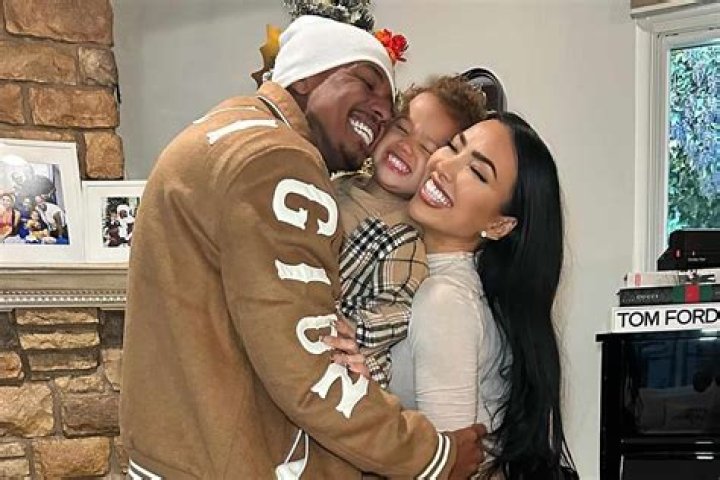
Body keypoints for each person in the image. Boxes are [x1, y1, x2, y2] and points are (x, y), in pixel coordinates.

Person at [121, 15, 485, 479]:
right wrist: (434, 457)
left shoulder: (228, 126)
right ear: (306, 77)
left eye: (387, 102)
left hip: (174, 453)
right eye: (366, 82)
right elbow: (308, 371)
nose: (380, 110)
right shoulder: (279, 159)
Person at [388, 113, 577, 479]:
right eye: (453, 146)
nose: (444, 166)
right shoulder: (467, 292)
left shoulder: (445, 301)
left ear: (499, 224)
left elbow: (449, 468)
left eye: (476, 172)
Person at [335, 76, 486, 388]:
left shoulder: (405, 240)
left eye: (427, 148)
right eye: (402, 128)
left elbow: (395, 314)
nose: (406, 146)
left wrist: (347, 330)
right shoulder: (335, 184)